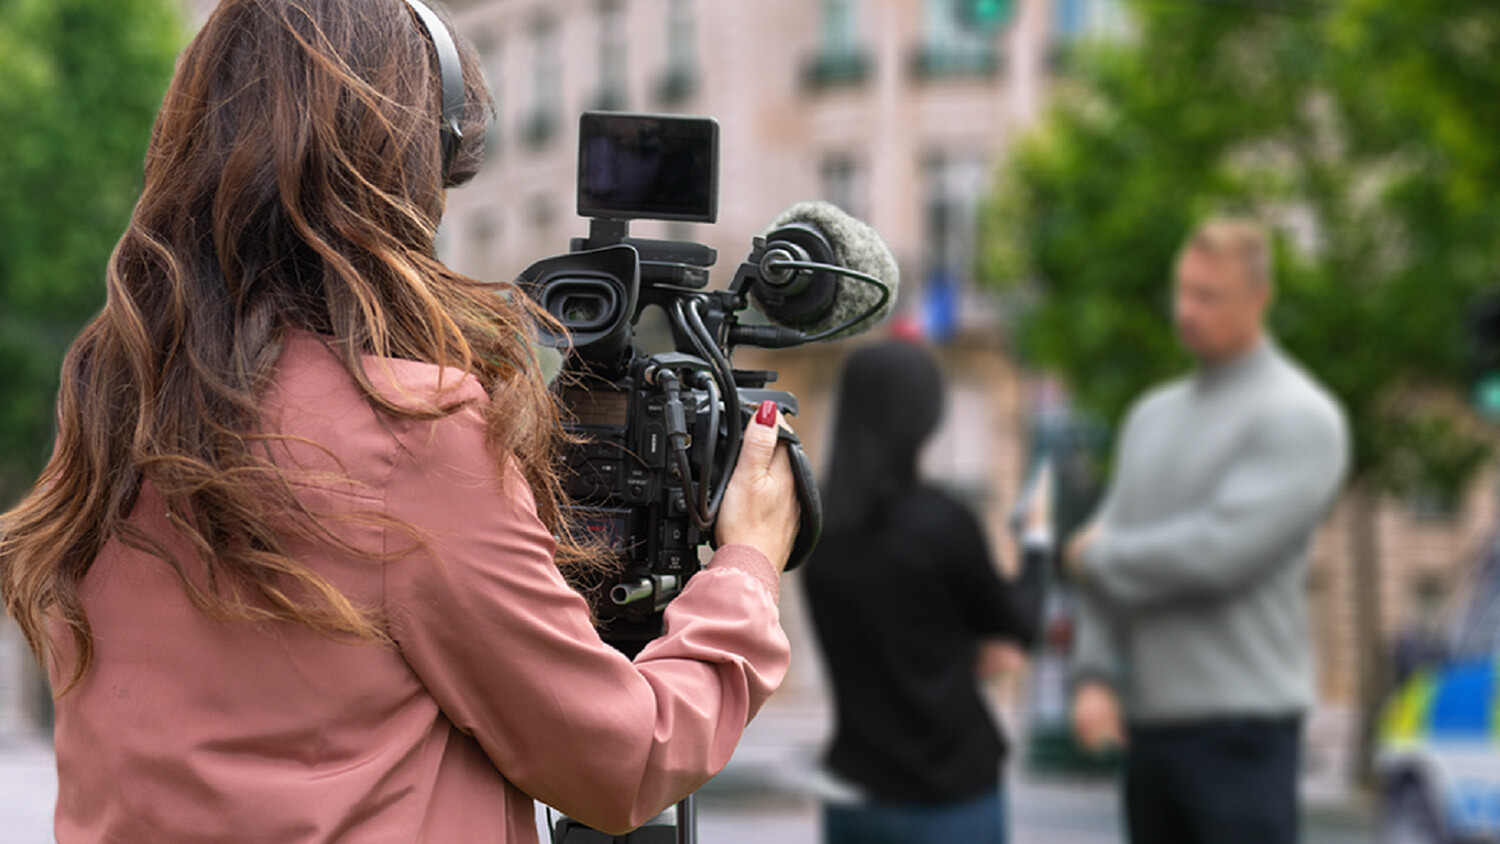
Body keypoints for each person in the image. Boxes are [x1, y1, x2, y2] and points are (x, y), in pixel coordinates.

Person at [0, 1, 799, 841]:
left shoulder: (110, 403)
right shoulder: (411, 431)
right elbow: (627, 757)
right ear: (406, 177)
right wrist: (746, 565)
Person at [1066, 219, 1350, 844]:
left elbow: (1220, 554)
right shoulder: (1151, 417)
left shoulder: (1301, 415)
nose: (1186, 310)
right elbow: (1110, 557)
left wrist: (1102, 555)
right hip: (1151, 731)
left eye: (1209, 296)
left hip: (1244, 736)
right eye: (1183, 291)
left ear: (1258, 299)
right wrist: (1092, 676)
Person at [802, 340, 1049, 844]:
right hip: (947, 796)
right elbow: (1019, 621)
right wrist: (1038, 542)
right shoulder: (942, 524)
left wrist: (959, 651)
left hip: (854, 793)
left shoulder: (820, 534)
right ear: (926, 414)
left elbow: (897, 637)